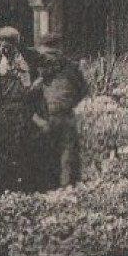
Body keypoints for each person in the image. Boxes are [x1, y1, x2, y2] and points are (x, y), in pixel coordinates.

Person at [0, 26, 42, 195]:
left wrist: (36, 86)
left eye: (5, 45)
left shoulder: (29, 59)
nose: (2, 49)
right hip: (3, 112)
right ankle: (3, 188)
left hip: (25, 110)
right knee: (2, 149)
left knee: (24, 147)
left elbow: (45, 75)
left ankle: (25, 188)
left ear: (15, 44)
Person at [30, 36, 89, 190]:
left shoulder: (39, 67)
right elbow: (83, 90)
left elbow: (27, 94)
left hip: (52, 117)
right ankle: (64, 187)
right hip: (58, 116)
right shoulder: (69, 67)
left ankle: (54, 189)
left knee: (56, 154)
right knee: (63, 153)